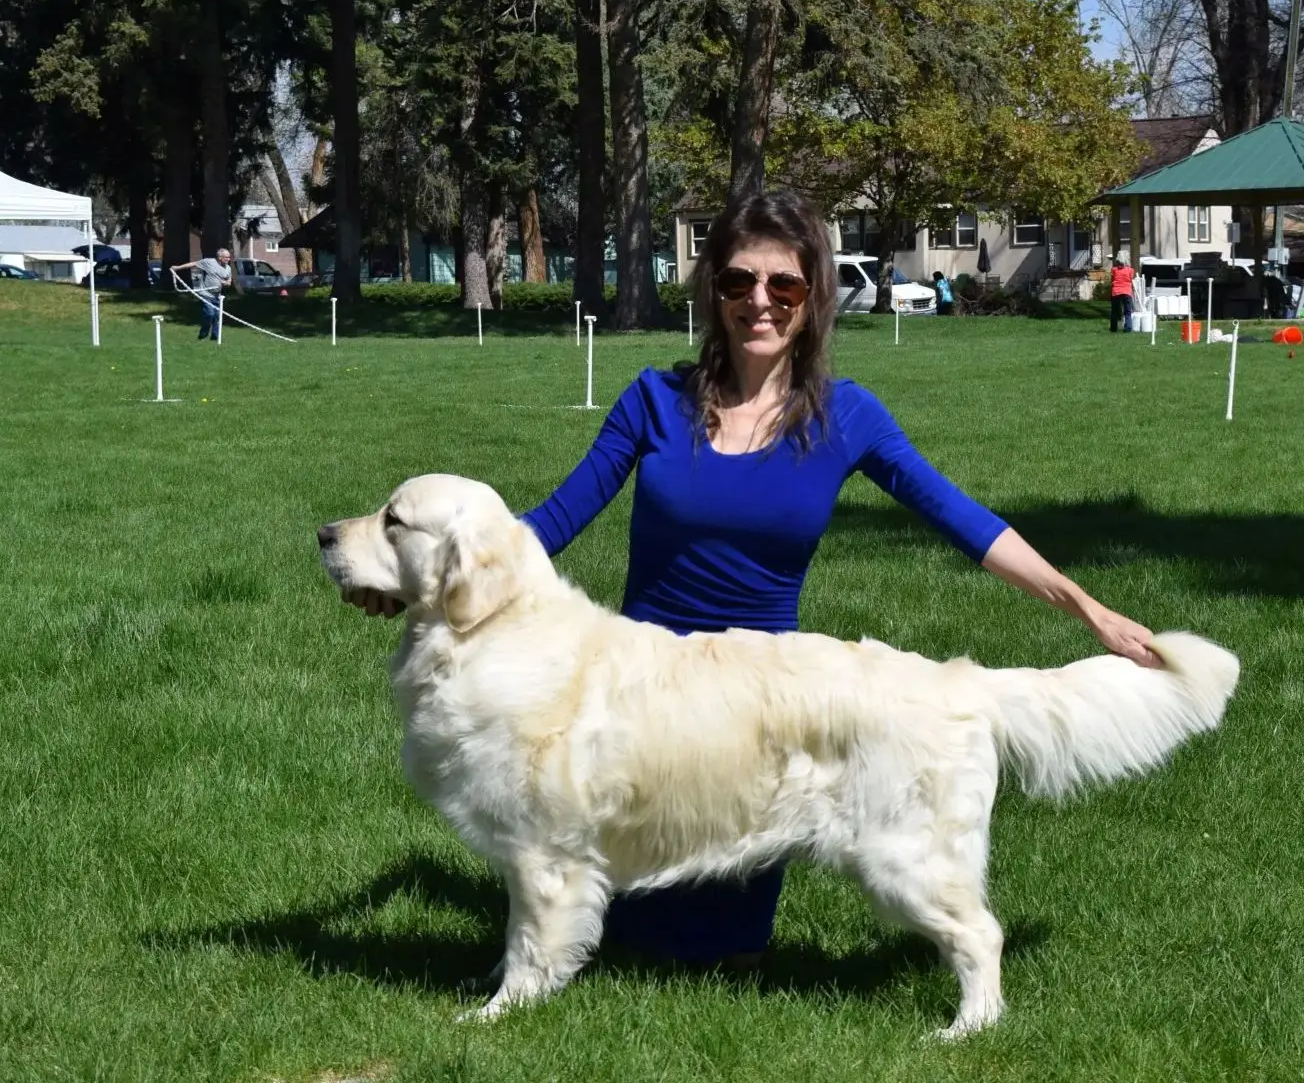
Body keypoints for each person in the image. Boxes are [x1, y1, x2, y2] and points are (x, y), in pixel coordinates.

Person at [479, 189, 1158, 973]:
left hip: (767, 722)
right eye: (738, 283)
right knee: (629, 946)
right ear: (712, 291)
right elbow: (547, 527)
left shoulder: (847, 416)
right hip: (639, 716)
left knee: (724, 956)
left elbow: (963, 520)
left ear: (812, 298)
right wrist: (424, 571)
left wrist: (1090, 610)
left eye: (783, 286)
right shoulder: (652, 403)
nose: (758, 303)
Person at [172, 247, 234, 340]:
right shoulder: (209, 262)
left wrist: (225, 283)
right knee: (209, 314)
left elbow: (229, 282)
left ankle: (215, 337)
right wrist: (177, 268)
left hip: (217, 296)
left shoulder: (228, 268)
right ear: (219, 257)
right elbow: (194, 264)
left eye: (229, 257)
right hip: (206, 294)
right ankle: (203, 335)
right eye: (226, 257)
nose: (228, 259)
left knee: (217, 317)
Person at [1109, 257, 1136, 332]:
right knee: (1127, 311)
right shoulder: (1130, 270)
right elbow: (1131, 279)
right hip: (1127, 291)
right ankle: (1128, 327)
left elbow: (1112, 279)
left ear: (1117, 262)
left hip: (1116, 292)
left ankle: (1113, 328)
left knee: (1114, 311)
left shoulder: (1114, 269)